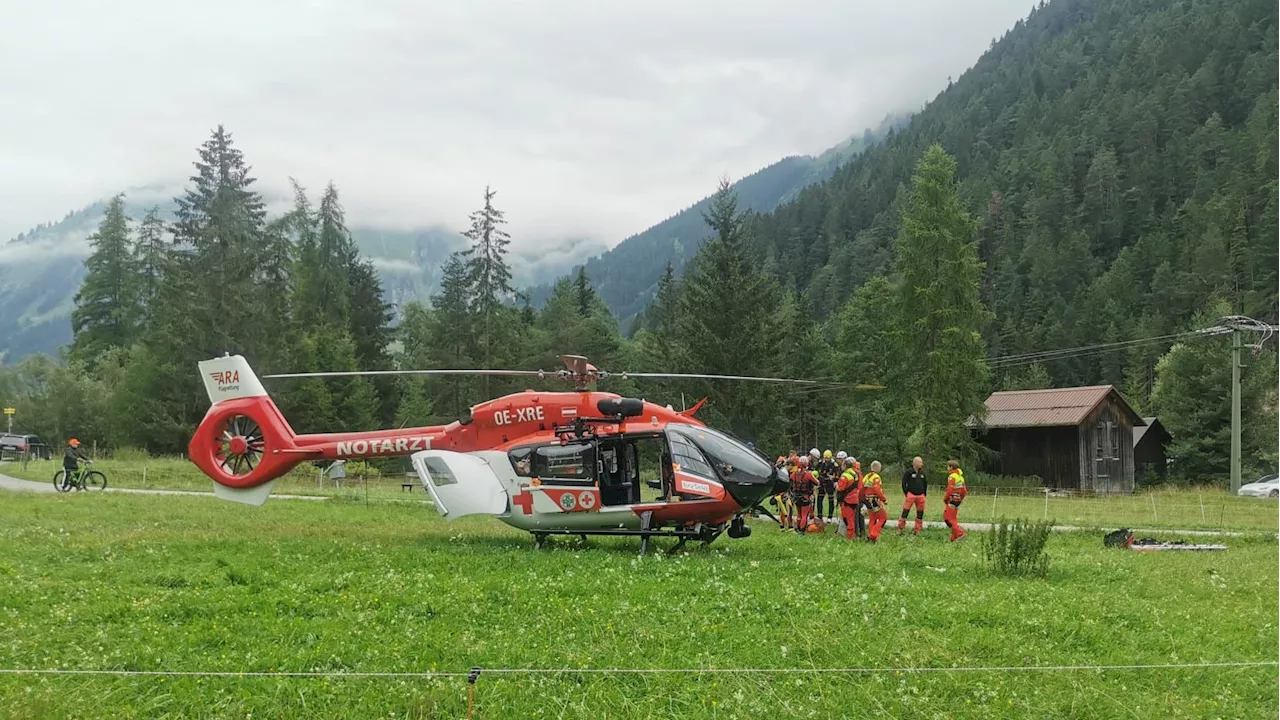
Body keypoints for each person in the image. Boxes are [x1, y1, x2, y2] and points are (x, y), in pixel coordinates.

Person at [789, 456, 819, 534]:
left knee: (799, 514)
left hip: (796, 497)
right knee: (804, 515)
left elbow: (791, 483)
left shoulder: (793, 474)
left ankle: (798, 528)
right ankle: (802, 530)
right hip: (805, 497)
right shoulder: (808, 474)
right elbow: (817, 483)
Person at [899, 456, 927, 535]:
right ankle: (900, 528)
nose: (921, 464)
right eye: (920, 462)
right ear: (915, 463)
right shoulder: (909, 472)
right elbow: (904, 483)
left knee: (920, 513)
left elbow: (925, 484)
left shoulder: (922, 473)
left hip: (920, 496)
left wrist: (924, 494)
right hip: (911, 494)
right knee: (905, 511)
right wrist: (907, 493)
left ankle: (917, 529)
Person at [835, 457, 861, 540]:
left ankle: (850, 536)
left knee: (847, 519)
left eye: (843, 464)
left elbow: (841, 488)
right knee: (850, 518)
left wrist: (836, 485)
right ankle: (843, 533)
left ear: (845, 465)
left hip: (847, 500)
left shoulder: (845, 475)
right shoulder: (855, 474)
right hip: (854, 499)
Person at [943, 459, 968, 542]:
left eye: (948, 466)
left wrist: (945, 499)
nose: (947, 468)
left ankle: (960, 533)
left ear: (951, 467)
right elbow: (964, 491)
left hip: (952, 499)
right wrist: (960, 499)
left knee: (947, 518)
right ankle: (954, 537)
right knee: (953, 518)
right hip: (958, 500)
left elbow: (949, 489)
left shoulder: (952, 476)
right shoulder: (960, 477)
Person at [863, 461, 888, 542]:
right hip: (874, 500)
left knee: (872, 518)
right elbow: (877, 489)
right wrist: (884, 499)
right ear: (878, 468)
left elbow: (862, 488)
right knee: (883, 517)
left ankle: (871, 537)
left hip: (867, 500)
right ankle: (873, 534)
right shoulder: (876, 477)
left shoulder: (866, 476)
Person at [816, 450, 838, 522]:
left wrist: (834, 479)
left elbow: (837, 475)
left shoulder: (834, 465)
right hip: (822, 483)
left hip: (830, 484)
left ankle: (830, 517)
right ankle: (819, 515)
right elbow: (816, 470)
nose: (826, 460)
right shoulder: (820, 463)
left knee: (831, 500)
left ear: (830, 457)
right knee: (819, 499)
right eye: (825, 458)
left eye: (828, 458)